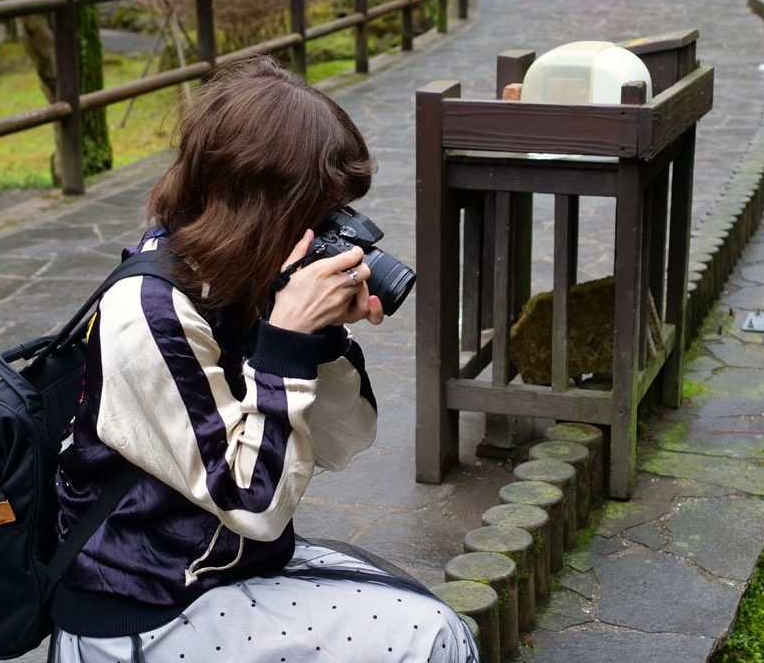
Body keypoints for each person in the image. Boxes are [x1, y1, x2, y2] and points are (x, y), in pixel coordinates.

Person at [49, 55, 479, 663]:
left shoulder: (237, 273)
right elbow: (254, 505)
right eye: (319, 212)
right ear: (259, 204)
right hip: (145, 613)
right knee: (431, 637)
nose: (333, 231)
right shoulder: (148, 309)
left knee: (423, 607)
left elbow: (343, 443)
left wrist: (320, 336)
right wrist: (286, 341)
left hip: (215, 569)